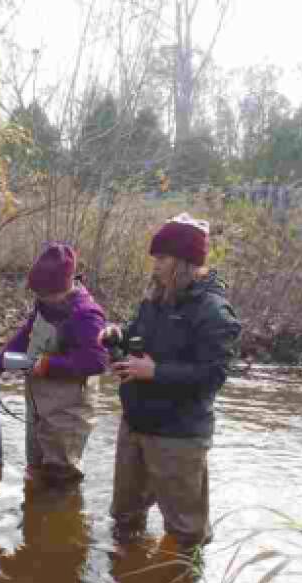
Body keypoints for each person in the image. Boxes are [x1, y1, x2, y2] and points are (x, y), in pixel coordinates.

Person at [100, 213, 241, 550]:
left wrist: (155, 372)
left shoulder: (214, 312)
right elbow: (136, 334)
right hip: (135, 427)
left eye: (162, 258)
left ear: (184, 261)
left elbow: (213, 376)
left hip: (179, 438)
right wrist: (117, 335)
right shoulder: (154, 300)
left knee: (186, 534)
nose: (155, 265)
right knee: (125, 519)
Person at [0, 242, 107, 484]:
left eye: (44, 293)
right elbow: (28, 332)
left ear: (62, 287)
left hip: (69, 409)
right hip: (39, 402)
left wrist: (48, 365)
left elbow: (97, 361)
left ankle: (63, 516)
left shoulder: (86, 314)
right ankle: (34, 514)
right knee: (35, 469)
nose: (39, 297)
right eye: (38, 293)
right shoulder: (45, 304)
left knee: (61, 476)